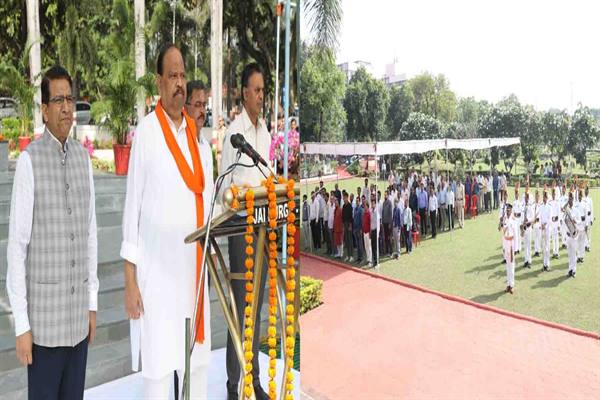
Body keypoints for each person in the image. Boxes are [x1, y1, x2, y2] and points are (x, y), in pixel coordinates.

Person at [121, 45, 214, 398]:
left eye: (183, 75)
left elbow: (207, 204)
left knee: (196, 371)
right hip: (157, 282)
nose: (179, 83)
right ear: (159, 82)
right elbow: (132, 209)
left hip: (192, 277)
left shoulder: (198, 141)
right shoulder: (146, 133)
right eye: (172, 75)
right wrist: (130, 281)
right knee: (159, 373)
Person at [6, 65, 98, 398]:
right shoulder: (29, 161)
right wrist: (22, 325)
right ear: (44, 110)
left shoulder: (83, 159)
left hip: (77, 322)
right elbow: (17, 247)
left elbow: (90, 233)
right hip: (44, 327)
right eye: (58, 100)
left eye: (69, 99)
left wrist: (91, 303)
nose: (66, 107)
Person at [219, 62, 271, 399]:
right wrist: (243, 197)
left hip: (263, 226)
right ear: (244, 93)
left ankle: (253, 381)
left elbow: (268, 176)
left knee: (257, 309)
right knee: (239, 309)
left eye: (264, 90)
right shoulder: (233, 135)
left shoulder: (264, 133)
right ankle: (233, 385)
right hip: (240, 230)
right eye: (257, 90)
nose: (261, 96)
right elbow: (224, 187)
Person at [500, 203, 517, 294]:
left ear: (511, 210)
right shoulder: (505, 219)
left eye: (509, 210)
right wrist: (503, 246)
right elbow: (503, 233)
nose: (508, 211)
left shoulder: (513, 220)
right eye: (507, 210)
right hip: (506, 243)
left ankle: (512, 285)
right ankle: (508, 284)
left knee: (512, 265)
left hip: (511, 244)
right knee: (507, 265)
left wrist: (516, 248)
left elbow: (516, 234)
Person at [564, 192, 580, 278]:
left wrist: (575, 221)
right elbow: (564, 220)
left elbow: (579, 220)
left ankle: (574, 270)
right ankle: (570, 270)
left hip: (574, 235)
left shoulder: (576, 210)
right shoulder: (567, 210)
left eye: (571, 198)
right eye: (569, 199)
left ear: (573, 199)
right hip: (568, 235)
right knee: (569, 254)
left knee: (573, 253)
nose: (570, 200)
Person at [539, 191, 552, 271]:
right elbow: (540, 217)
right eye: (544, 197)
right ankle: (544, 264)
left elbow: (549, 219)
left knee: (547, 247)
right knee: (543, 247)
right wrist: (541, 225)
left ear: (547, 198)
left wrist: (545, 226)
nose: (544, 198)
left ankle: (547, 264)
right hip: (542, 228)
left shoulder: (549, 207)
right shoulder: (541, 206)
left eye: (546, 197)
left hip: (547, 228)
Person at [522, 192, 534, 268]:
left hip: (529, 227)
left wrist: (528, 220)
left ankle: (529, 261)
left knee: (529, 245)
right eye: (525, 198)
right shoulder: (523, 207)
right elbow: (521, 217)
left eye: (527, 197)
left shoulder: (530, 207)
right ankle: (526, 260)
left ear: (528, 199)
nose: (526, 199)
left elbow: (533, 218)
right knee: (525, 245)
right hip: (524, 228)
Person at [342, 192, 354, 262]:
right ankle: (348, 255)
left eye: (344, 198)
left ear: (347, 197)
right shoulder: (343, 206)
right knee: (346, 240)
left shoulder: (350, 206)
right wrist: (343, 225)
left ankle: (351, 256)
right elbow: (343, 216)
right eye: (343, 198)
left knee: (350, 240)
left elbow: (351, 216)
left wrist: (350, 225)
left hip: (349, 224)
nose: (343, 199)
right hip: (345, 224)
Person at [353, 196, 365, 263]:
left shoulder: (361, 209)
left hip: (359, 229)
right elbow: (354, 218)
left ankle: (361, 258)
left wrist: (361, 229)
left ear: (359, 202)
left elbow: (362, 220)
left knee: (360, 244)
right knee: (357, 244)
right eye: (356, 201)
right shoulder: (355, 209)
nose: (357, 202)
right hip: (355, 228)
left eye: (358, 201)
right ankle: (358, 257)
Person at [549, 188, 561, 258]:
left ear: (555, 194)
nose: (553, 195)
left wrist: (559, 224)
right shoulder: (550, 202)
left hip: (556, 221)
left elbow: (559, 213)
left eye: (554, 194)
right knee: (553, 238)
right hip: (551, 222)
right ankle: (554, 252)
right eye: (552, 194)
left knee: (556, 238)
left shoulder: (557, 202)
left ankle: (557, 252)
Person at [382, 191, 394, 256]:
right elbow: (383, 213)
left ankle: (391, 251)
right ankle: (387, 251)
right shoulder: (384, 203)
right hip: (384, 223)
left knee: (390, 238)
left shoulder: (390, 203)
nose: (385, 196)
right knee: (386, 238)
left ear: (388, 195)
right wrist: (382, 222)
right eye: (384, 195)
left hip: (389, 223)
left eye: (386, 195)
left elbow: (390, 213)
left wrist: (390, 223)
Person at [582, 186, 594, 252]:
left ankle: (588, 246)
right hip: (584, 218)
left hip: (589, 217)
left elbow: (592, 209)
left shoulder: (590, 199)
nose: (586, 191)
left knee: (588, 232)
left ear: (588, 192)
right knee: (584, 232)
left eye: (587, 190)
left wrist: (591, 219)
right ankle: (584, 245)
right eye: (585, 190)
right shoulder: (583, 199)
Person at [512, 186, 523, 254]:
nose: (516, 195)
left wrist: (521, 221)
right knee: (515, 234)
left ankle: (519, 248)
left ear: (519, 194)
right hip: (515, 219)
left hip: (519, 218)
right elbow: (512, 212)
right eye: (516, 193)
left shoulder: (520, 202)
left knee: (519, 234)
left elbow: (521, 212)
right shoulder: (513, 203)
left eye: (517, 193)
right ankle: (515, 249)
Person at [362, 198, 373, 267]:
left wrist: (370, 233)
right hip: (364, 232)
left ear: (367, 206)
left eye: (365, 205)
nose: (364, 206)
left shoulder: (369, 213)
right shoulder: (364, 213)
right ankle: (368, 259)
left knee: (369, 247)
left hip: (368, 232)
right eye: (364, 205)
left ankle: (370, 260)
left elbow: (370, 224)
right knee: (366, 246)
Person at [370, 196, 380, 267]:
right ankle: (374, 261)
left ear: (375, 204)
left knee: (376, 247)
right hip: (372, 230)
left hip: (376, 231)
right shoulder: (371, 211)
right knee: (373, 247)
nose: (372, 205)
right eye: (371, 203)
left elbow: (378, 224)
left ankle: (377, 262)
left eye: (373, 203)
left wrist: (378, 233)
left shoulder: (376, 212)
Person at [532, 190, 542, 258]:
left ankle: (538, 250)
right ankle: (536, 251)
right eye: (536, 196)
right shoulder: (533, 204)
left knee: (539, 237)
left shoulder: (541, 205)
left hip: (539, 222)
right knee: (535, 237)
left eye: (538, 196)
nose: (537, 197)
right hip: (534, 223)